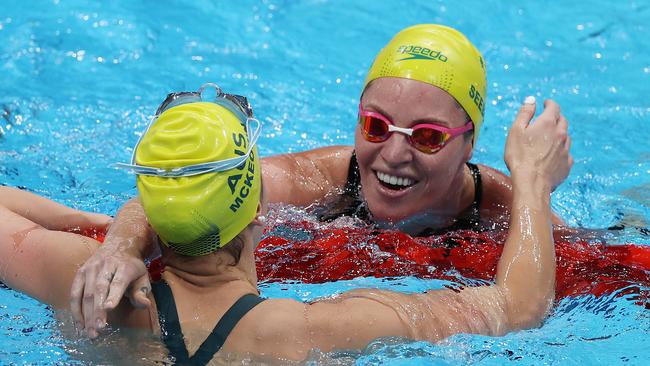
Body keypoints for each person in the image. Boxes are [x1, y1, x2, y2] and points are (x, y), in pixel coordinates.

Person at [0, 83, 571, 363]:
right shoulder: (301, 334)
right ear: (254, 207)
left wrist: (94, 230)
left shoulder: (79, 282)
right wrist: (532, 179)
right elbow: (517, 306)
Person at [72, 23, 573, 335]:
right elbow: (193, 188)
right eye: (375, 126)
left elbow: (535, 302)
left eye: (427, 137)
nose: (394, 155)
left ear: (469, 144)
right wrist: (120, 246)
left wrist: (532, 180)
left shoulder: (510, 209)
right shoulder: (317, 180)